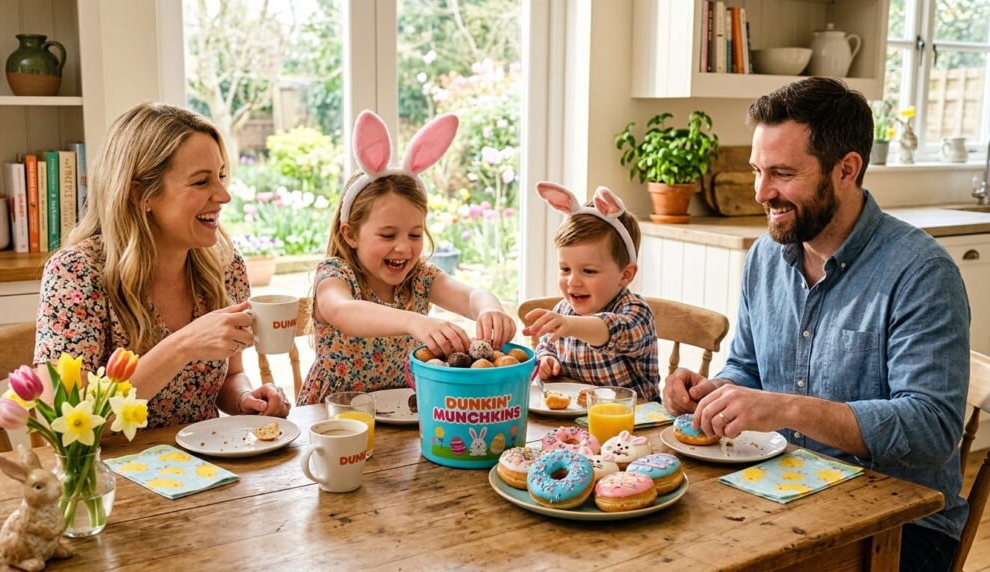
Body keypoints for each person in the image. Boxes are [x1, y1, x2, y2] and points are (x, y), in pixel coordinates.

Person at [663, 77, 970, 571]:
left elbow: (930, 428)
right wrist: (714, 390)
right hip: (783, 487)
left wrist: (788, 408)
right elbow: (749, 368)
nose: (762, 193)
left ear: (847, 169)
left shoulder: (921, 273)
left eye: (782, 173)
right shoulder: (765, 257)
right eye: (758, 171)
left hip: (901, 523)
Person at [34, 102, 290, 428]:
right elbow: (67, 417)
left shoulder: (225, 266)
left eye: (221, 177)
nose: (224, 195)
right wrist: (183, 346)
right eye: (201, 182)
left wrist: (244, 399)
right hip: (110, 474)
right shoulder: (75, 273)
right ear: (141, 194)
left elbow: (231, 375)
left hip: (205, 469)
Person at [298, 110, 516, 405]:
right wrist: (416, 322)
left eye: (414, 235)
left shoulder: (420, 278)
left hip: (403, 412)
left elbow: (471, 296)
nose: (403, 248)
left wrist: (490, 309)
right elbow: (342, 311)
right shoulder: (336, 274)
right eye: (388, 236)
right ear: (350, 234)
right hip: (336, 416)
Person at [523, 181, 659, 401]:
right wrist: (547, 359)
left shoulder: (636, 312)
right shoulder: (564, 309)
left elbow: (613, 330)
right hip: (577, 423)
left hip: (636, 422)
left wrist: (569, 325)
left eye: (588, 271)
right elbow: (546, 346)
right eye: (565, 269)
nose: (573, 282)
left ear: (626, 275)